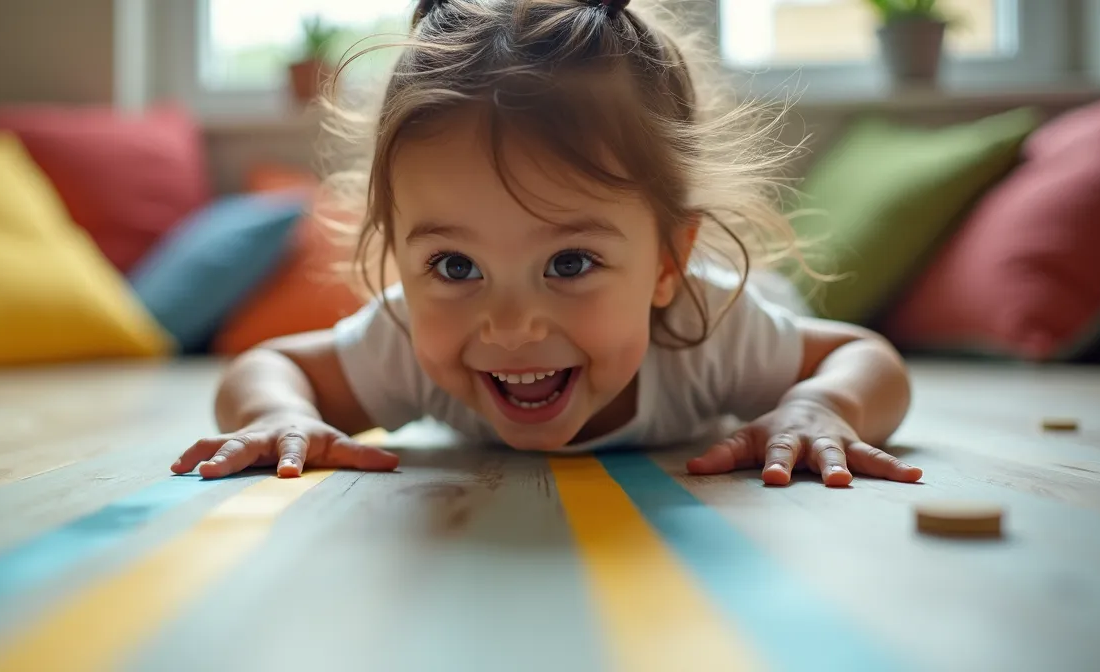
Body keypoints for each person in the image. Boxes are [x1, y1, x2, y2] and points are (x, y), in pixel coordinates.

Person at [171, 0, 923, 488]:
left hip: (740, 292)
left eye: (568, 263)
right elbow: (267, 368)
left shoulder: (710, 330)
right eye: (455, 265)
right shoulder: (407, 339)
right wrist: (278, 414)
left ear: (666, 260)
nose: (509, 325)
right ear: (398, 255)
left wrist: (819, 407)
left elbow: (870, 361)